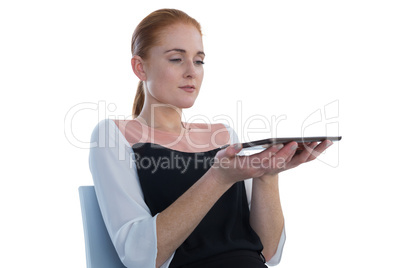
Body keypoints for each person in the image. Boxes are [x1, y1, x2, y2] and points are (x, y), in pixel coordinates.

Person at [89, 8, 333, 268]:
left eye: (199, 61)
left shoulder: (223, 135)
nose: (191, 72)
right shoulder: (113, 136)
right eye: (176, 59)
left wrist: (267, 174)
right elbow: (138, 256)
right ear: (140, 68)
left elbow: (270, 253)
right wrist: (218, 178)